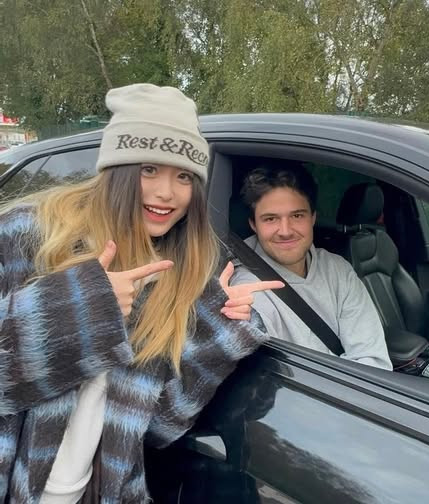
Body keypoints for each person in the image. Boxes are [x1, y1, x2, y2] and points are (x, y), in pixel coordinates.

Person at [0, 83, 283, 503]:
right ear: (117, 170)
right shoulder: (27, 236)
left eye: (184, 176)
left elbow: (160, 427)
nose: (166, 193)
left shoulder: (174, 276)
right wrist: (80, 308)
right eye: (149, 169)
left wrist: (220, 336)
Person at [230, 163, 392, 370]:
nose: (285, 231)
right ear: (253, 224)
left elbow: (373, 362)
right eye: (270, 219)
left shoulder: (338, 269)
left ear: (313, 217)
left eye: (297, 216)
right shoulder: (245, 292)